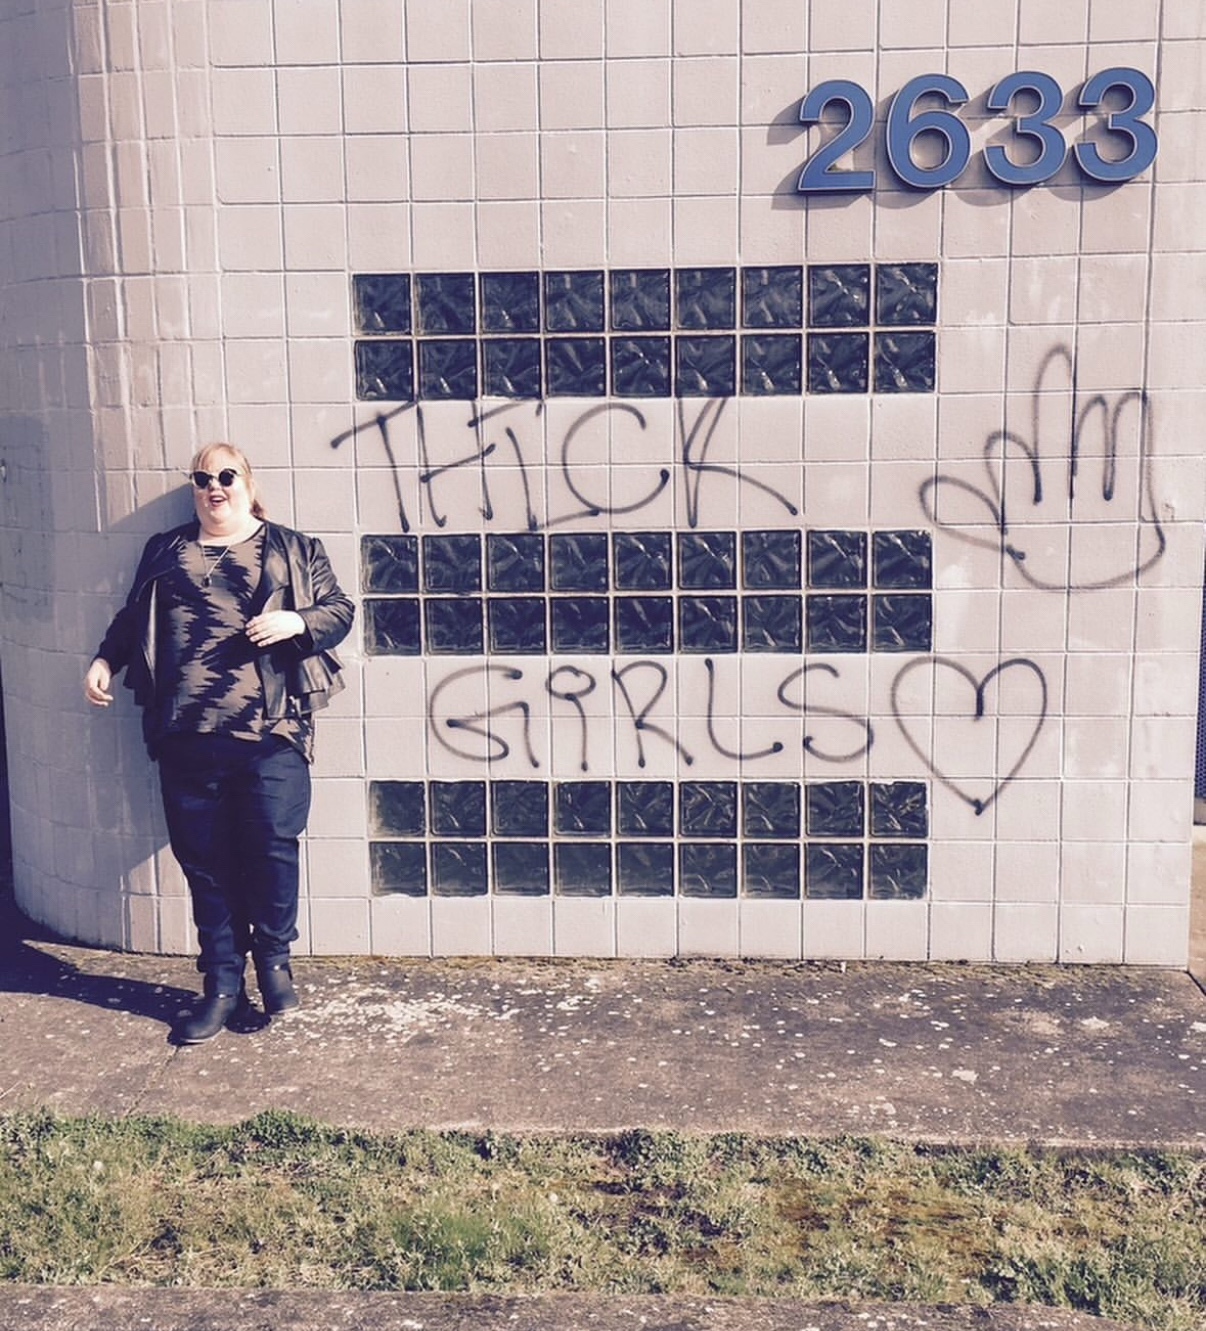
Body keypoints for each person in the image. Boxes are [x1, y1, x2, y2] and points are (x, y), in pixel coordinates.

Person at [84, 443, 355, 1044]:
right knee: (204, 865)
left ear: (248, 484)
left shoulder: (293, 548)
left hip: (270, 732)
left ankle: (274, 964)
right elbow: (134, 618)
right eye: (203, 477)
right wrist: (105, 658)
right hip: (185, 733)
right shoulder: (166, 550)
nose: (215, 487)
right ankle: (222, 986)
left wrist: (297, 622)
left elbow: (339, 611)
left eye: (227, 476)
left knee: (272, 848)